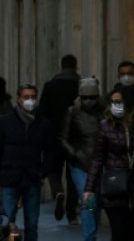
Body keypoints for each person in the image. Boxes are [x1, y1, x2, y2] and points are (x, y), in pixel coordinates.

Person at [0, 84, 55, 241]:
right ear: (18, 99)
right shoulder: (5, 122)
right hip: (10, 177)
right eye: (26, 97)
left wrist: (42, 172)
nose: (30, 100)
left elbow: (50, 150)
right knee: (7, 222)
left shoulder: (43, 124)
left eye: (32, 97)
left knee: (31, 224)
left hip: (32, 177)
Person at [83, 87, 134, 241]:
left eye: (119, 102)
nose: (115, 105)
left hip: (132, 186)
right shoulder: (105, 126)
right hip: (115, 186)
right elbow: (98, 159)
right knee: (118, 231)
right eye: (113, 102)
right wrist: (89, 189)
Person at [59, 77, 103, 241]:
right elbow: (63, 138)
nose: (89, 101)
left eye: (92, 97)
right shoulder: (73, 112)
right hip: (81, 165)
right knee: (88, 201)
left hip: (100, 163)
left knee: (95, 202)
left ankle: (91, 234)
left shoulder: (102, 112)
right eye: (85, 97)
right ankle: (89, 238)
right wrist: (74, 154)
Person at [37, 54, 80, 223]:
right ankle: (72, 214)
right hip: (76, 137)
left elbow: (42, 112)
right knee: (73, 174)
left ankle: (57, 191)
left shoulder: (51, 86)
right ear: (75, 66)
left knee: (53, 169)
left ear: (61, 66)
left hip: (54, 136)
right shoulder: (81, 85)